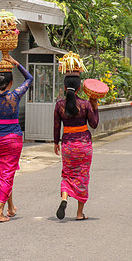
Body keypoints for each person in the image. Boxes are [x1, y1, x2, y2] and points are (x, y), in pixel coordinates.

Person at [0, 55, 33, 222]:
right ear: (10, 83)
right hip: (13, 138)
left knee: (4, 173)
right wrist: (16, 63)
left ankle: (10, 207)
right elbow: (29, 78)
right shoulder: (15, 95)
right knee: (8, 173)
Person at [53, 75, 99, 220]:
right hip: (84, 145)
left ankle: (64, 199)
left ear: (65, 88)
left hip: (68, 145)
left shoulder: (59, 105)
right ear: (79, 88)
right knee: (82, 176)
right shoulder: (85, 105)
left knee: (67, 174)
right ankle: (79, 214)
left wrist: (56, 142)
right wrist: (95, 107)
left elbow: (56, 126)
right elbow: (94, 124)